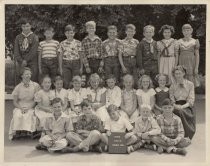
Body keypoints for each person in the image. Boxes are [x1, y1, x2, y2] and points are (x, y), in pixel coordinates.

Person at [9, 67, 40, 140]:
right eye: (26, 74)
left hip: (31, 105)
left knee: (29, 114)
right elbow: (15, 101)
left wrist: (29, 107)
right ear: (22, 75)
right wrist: (21, 108)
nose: (28, 76)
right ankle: (18, 130)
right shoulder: (18, 87)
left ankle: (29, 131)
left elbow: (36, 100)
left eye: (29, 74)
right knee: (18, 114)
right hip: (20, 106)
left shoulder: (35, 85)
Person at [169, 65, 195, 139]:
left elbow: (191, 99)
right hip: (176, 105)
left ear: (183, 73)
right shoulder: (172, 86)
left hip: (187, 105)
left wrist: (182, 107)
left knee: (182, 112)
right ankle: (176, 135)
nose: (178, 76)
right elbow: (171, 99)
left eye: (179, 73)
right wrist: (175, 105)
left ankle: (186, 135)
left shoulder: (190, 84)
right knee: (175, 112)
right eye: (176, 74)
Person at [58, 24, 83, 89]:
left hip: (76, 63)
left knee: (76, 80)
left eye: (71, 33)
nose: (69, 35)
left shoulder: (78, 43)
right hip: (66, 63)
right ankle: (67, 96)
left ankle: (76, 96)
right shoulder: (62, 43)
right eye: (68, 33)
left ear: (74, 33)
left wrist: (81, 67)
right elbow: (60, 56)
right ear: (65, 33)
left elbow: (81, 55)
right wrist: (60, 68)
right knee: (66, 81)